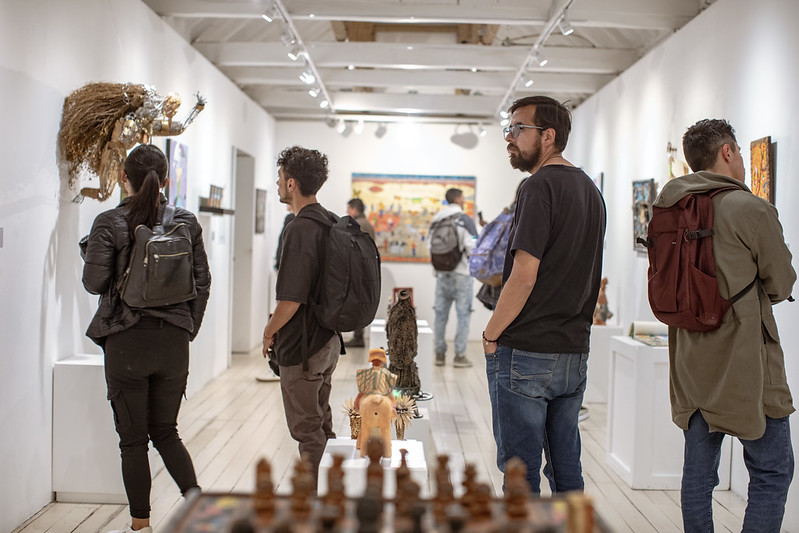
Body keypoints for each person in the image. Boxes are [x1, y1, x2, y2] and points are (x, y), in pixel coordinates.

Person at [658, 119, 795, 532]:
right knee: (772, 472)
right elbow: (782, 280)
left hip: (689, 356)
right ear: (729, 152)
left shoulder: (669, 205)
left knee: (698, 478)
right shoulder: (751, 208)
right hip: (746, 358)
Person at [81, 144, 211, 533]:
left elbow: (94, 283)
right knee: (167, 432)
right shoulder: (185, 222)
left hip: (126, 343)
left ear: (124, 178)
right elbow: (202, 283)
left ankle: (141, 526)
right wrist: (187, 329)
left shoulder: (109, 221)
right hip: (173, 344)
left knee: (133, 441)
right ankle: (200, 511)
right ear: (166, 180)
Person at [482, 96, 606, 493]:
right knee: (567, 468)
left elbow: (524, 273)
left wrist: (490, 333)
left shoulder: (538, 187)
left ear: (548, 136)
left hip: (530, 351)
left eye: (518, 129)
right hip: (573, 351)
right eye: (509, 129)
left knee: (520, 472)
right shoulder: (590, 189)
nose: (509, 138)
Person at [262, 146, 340, 486]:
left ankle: (311, 506)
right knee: (322, 424)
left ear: (292, 183)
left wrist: (268, 332)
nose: (277, 183)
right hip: (328, 341)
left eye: (279, 177)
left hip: (303, 346)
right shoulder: (331, 221)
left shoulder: (299, 228)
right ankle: (333, 494)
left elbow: (290, 299)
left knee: (307, 432)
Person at [430, 188, 478, 368]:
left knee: (440, 315)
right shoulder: (464, 219)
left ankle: (440, 355)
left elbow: (430, 246)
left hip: (442, 274)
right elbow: (472, 246)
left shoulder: (437, 219)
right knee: (463, 315)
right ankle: (459, 356)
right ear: (458, 199)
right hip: (462, 274)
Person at [342, 198, 376, 348]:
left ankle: (358, 337)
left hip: (358, 270)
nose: (347, 212)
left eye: (349, 209)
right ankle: (358, 336)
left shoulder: (357, 225)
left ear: (355, 210)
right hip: (367, 269)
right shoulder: (367, 224)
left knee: (356, 303)